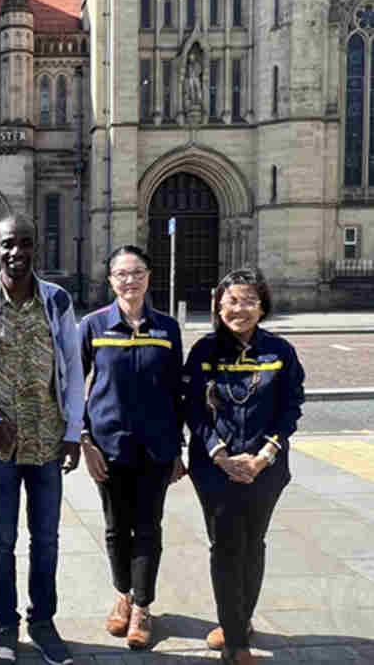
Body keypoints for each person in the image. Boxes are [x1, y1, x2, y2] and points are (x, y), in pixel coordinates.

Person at [0, 214, 83, 665]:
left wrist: (73, 432)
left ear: (35, 248)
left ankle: (43, 622)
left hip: (49, 442)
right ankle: (4, 626)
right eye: (8, 244)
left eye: (25, 243)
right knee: (1, 541)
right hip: (2, 447)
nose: (17, 253)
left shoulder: (58, 300)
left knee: (46, 538)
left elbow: (72, 369)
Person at [184, 269, 304, 665]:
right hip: (214, 467)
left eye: (250, 300)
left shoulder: (280, 352)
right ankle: (235, 642)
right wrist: (220, 454)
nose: (241, 309)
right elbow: (194, 411)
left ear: (262, 305)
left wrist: (262, 457)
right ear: (219, 306)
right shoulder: (203, 351)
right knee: (225, 546)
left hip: (264, 467)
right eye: (232, 300)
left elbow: (290, 409)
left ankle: (239, 619)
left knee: (253, 544)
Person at [77, 245, 185, 650]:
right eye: (121, 274)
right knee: (115, 527)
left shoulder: (167, 328)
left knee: (149, 527)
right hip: (109, 447)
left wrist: (178, 448)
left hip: (156, 447)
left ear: (148, 277)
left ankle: (143, 606)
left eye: (136, 272)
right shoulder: (92, 325)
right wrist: (85, 441)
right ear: (110, 281)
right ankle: (123, 594)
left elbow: (177, 390)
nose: (129, 280)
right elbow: (74, 389)